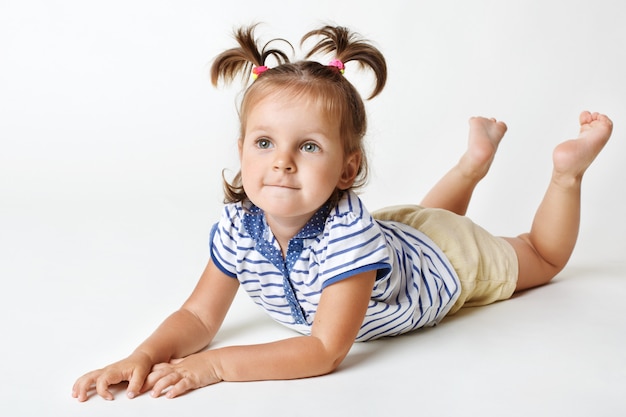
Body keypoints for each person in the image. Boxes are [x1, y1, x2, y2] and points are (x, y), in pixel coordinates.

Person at [72, 24, 613, 402]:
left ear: (347, 169)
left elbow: (325, 349)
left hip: (446, 263)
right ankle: (471, 165)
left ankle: (567, 173)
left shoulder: (346, 236)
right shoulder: (240, 227)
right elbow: (196, 318)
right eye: (263, 143)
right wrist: (143, 354)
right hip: (401, 236)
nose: (281, 162)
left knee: (539, 257)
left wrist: (213, 366)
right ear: (240, 149)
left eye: (307, 147)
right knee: (426, 221)